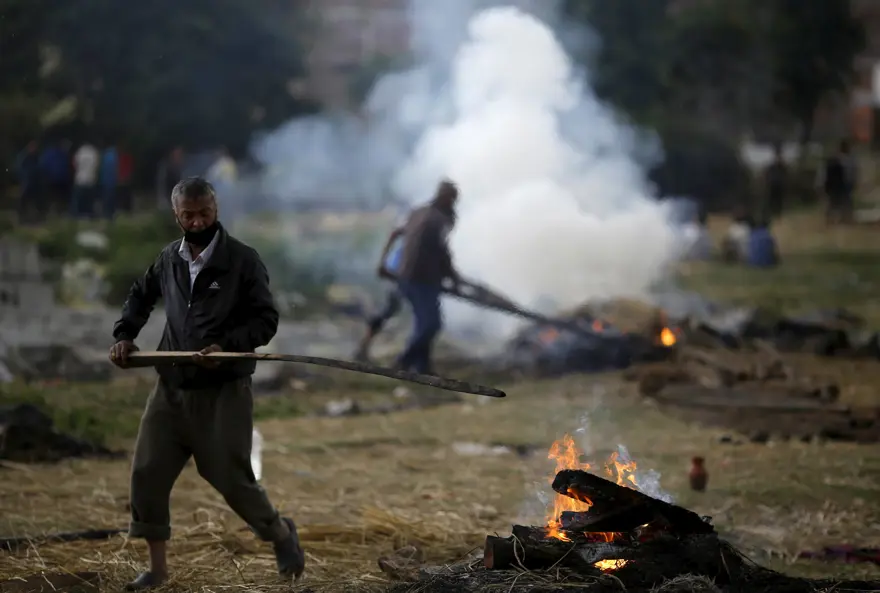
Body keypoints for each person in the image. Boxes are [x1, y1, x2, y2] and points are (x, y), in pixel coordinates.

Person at [108, 177, 304, 590]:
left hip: (223, 393)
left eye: (205, 214)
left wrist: (226, 346)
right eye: (188, 216)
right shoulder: (168, 259)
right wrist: (125, 335)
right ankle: (158, 571)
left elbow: (266, 321)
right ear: (176, 215)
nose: (197, 222)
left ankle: (281, 534)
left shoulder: (242, 260)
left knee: (230, 478)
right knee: (147, 474)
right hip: (170, 389)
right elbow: (140, 297)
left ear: (216, 210)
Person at [394, 180, 461, 375]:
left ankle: (422, 367)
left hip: (407, 275)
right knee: (432, 324)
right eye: (453, 199)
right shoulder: (437, 219)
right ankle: (404, 360)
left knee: (424, 323)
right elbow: (442, 253)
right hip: (420, 278)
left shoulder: (418, 212)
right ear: (446, 198)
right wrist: (454, 280)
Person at [353, 213, 408, 362]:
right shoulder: (422, 220)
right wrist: (382, 262)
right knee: (389, 310)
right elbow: (395, 233)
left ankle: (363, 348)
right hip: (399, 271)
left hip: (405, 272)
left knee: (390, 311)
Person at [818, 140, 858, 225]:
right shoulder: (845, 160)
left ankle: (837, 220)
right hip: (840, 185)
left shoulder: (836, 160)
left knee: (835, 204)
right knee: (841, 203)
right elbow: (850, 174)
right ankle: (841, 220)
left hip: (837, 185)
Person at [71, 141, 100, 219]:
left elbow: (74, 164)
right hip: (91, 179)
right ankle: (89, 216)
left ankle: (75, 215)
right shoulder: (94, 152)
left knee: (77, 200)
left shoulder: (80, 151)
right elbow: (97, 166)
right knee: (89, 201)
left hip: (80, 179)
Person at [15, 141, 41, 223]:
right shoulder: (24, 157)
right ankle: (21, 217)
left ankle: (33, 217)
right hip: (26, 181)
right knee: (24, 200)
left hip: (34, 182)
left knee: (33, 200)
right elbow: (19, 168)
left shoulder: (35, 157)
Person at [763, 144, 788, 220]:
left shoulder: (782, 165)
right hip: (773, 185)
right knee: (772, 201)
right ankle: (772, 214)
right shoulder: (772, 166)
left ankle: (778, 214)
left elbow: (785, 175)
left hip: (779, 185)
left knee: (778, 201)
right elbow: (767, 174)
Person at [100, 144, 119, 220]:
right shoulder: (115, 156)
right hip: (112, 181)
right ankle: (110, 214)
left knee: (106, 198)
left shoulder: (104, 155)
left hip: (105, 181)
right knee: (111, 198)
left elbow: (102, 169)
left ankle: (106, 214)